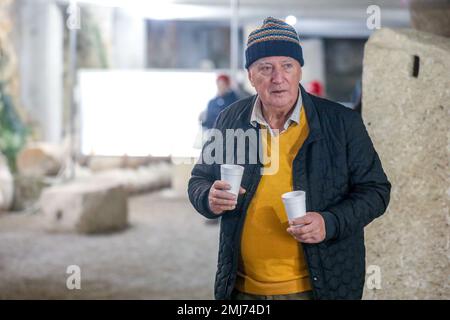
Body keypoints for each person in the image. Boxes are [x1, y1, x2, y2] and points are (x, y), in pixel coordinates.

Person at [188, 17, 391, 300]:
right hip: (242, 290)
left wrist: (328, 222)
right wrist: (208, 197)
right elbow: (199, 178)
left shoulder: (341, 123)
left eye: (287, 65)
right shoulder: (230, 119)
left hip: (318, 289)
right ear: (250, 75)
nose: (278, 77)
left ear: (299, 70)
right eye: (265, 67)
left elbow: (376, 191)